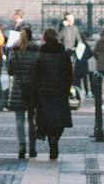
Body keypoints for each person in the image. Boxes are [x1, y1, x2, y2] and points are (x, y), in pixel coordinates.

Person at [31, 27, 75, 160]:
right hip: (60, 91)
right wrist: (67, 89)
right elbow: (69, 74)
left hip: (44, 92)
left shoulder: (40, 54)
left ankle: (51, 138)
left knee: (46, 119)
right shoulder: (64, 54)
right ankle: (55, 138)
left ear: (44, 38)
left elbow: (35, 75)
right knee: (59, 119)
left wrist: (36, 91)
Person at [5, 24, 39, 159]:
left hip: (19, 87)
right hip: (33, 87)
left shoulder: (14, 50)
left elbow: (10, 71)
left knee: (19, 119)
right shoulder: (37, 50)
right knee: (32, 120)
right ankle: (32, 147)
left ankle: (21, 145)